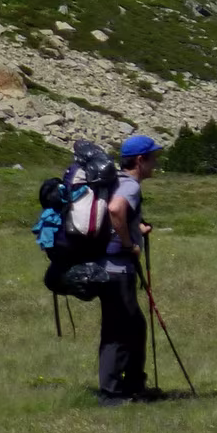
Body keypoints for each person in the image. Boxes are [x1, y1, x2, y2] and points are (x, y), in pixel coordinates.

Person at [99, 134, 159, 403]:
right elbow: (115, 210)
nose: (156, 164)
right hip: (117, 270)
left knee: (129, 326)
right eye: (153, 158)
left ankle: (131, 385)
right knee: (121, 330)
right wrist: (128, 244)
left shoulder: (116, 182)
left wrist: (137, 229)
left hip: (107, 268)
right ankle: (113, 394)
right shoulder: (130, 186)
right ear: (140, 160)